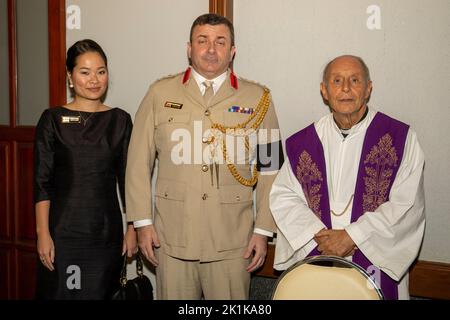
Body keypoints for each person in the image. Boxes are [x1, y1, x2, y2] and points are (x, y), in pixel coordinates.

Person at [125, 13, 283, 300]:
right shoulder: (160, 94)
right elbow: (137, 162)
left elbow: (271, 168)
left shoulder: (258, 99)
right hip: (172, 237)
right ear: (189, 48)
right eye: (203, 41)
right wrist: (142, 222)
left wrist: (263, 229)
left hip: (233, 240)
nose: (211, 49)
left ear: (232, 51)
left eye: (220, 42)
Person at [270, 55, 425, 300]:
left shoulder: (401, 138)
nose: (345, 88)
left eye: (354, 80)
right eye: (337, 80)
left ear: (368, 88)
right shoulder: (301, 143)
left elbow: (406, 205)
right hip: (317, 252)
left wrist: (354, 236)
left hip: (375, 261)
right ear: (324, 90)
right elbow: (284, 197)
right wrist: (319, 237)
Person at [34, 39, 137, 299]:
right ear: (70, 76)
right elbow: (41, 183)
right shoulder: (53, 120)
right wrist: (42, 234)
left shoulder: (120, 120)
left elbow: (129, 181)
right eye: (85, 72)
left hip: (105, 236)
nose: (94, 80)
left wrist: (132, 228)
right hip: (63, 235)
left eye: (101, 72)